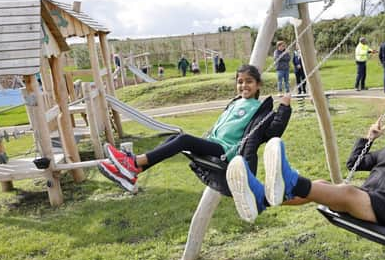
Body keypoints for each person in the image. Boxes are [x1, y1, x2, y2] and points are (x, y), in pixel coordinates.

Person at [226, 109, 385, 226]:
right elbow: (355, 163)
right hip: (367, 200)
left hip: (384, 211)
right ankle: (261, 200)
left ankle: (290, 181)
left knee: (347, 191)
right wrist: (368, 139)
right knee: (320, 185)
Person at [97, 64, 292, 193]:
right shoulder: (235, 102)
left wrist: (284, 107)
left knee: (184, 140)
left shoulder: (260, 109)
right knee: (176, 138)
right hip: (213, 143)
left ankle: (133, 163)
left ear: (258, 85)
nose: (243, 85)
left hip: (227, 151)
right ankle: (134, 171)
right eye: (240, 81)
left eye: (249, 82)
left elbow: (272, 133)